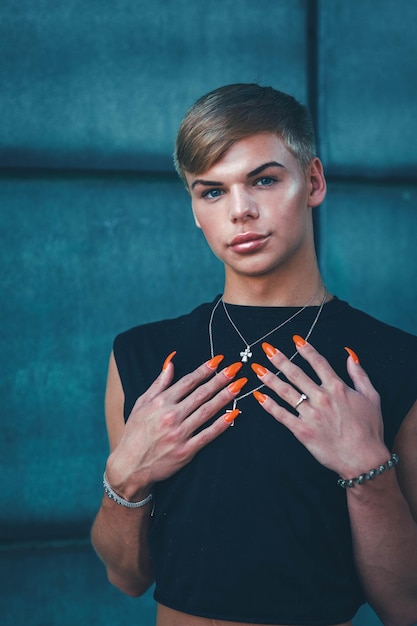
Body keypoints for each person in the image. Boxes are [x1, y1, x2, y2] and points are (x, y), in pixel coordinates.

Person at [91, 83, 417, 626]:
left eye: (263, 180)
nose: (240, 211)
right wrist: (125, 475)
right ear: (195, 210)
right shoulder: (143, 355)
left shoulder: (395, 360)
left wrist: (368, 470)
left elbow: (405, 605)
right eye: (211, 191)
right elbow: (127, 577)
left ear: (312, 182)